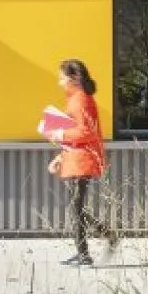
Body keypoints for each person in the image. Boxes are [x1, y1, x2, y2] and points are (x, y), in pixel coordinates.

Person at [39, 57, 112, 267]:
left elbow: (86, 131)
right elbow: (79, 135)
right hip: (76, 159)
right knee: (76, 207)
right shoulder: (77, 99)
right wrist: (60, 157)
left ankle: (86, 253)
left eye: (62, 77)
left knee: (76, 208)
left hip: (82, 160)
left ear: (75, 77)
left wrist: (59, 132)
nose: (59, 82)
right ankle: (100, 240)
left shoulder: (80, 100)